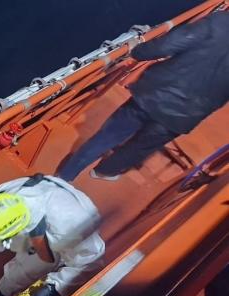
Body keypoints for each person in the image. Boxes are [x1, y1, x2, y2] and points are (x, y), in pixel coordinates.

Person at [56, 10, 229, 182]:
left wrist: (138, 51)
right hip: (184, 116)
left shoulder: (218, 22)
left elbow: (167, 46)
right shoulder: (219, 21)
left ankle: (66, 174)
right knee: (140, 148)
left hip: (154, 93)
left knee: (108, 136)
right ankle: (104, 171)